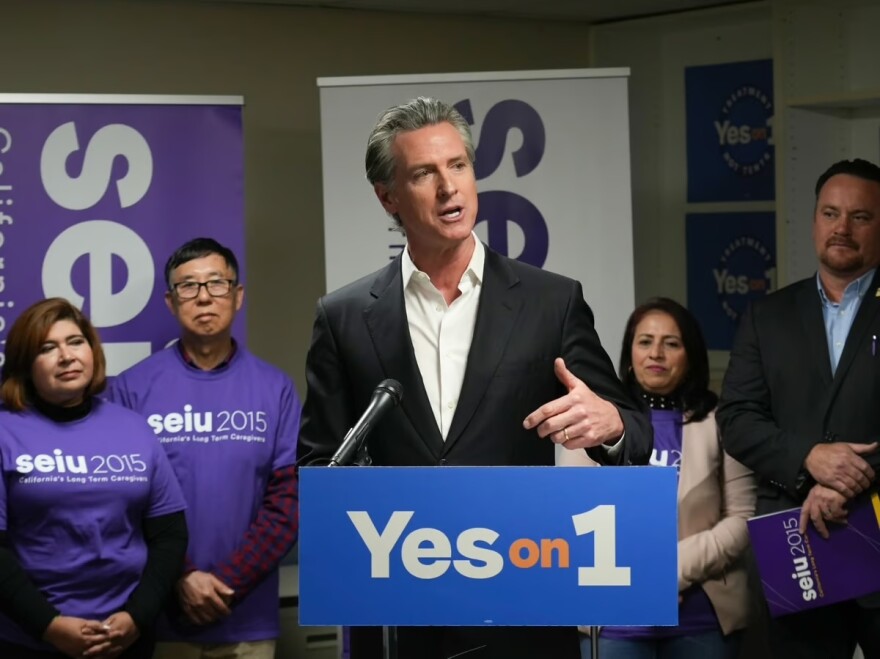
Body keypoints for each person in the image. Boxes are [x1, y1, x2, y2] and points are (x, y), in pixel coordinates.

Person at [296, 96, 653, 659]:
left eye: (458, 166)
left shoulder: (550, 301)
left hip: (522, 609)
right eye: (423, 173)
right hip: (402, 619)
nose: (448, 188)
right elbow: (319, 463)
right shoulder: (342, 317)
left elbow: (634, 430)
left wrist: (609, 423)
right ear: (388, 197)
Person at [106, 238, 301, 659]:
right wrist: (180, 578)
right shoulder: (130, 389)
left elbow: (288, 503)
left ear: (238, 295)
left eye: (217, 283)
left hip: (246, 615)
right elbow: (120, 501)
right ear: (170, 302)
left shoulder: (276, 389)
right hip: (155, 613)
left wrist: (226, 583)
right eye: (189, 287)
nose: (204, 297)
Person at [717, 158, 880, 659]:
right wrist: (809, 461)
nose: (842, 228)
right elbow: (737, 418)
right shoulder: (768, 315)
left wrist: (848, 479)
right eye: (830, 213)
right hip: (797, 538)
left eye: (861, 217)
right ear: (813, 221)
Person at [0, 297, 188, 659]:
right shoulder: (5, 431)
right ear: (26, 365)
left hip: (126, 638)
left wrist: (137, 616)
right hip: (32, 639)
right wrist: (48, 625)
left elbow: (169, 534)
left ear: (92, 350)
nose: (66, 356)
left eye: (75, 342)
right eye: (47, 348)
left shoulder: (133, 427)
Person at [586, 297, 755, 659]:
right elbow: (572, 516)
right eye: (645, 341)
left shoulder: (721, 421)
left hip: (701, 617)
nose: (656, 353)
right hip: (616, 617)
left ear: (690, 355)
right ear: (629, 354)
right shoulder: (593, 421)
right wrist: (643, 573)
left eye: (671, 343)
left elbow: (743, 519)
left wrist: (672, 569)